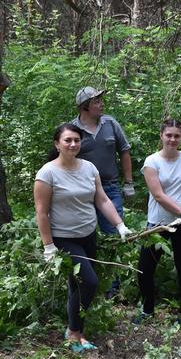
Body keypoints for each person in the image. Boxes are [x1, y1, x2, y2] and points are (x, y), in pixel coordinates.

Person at [34, 123, 132, 352]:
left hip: (89, 234)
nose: (73, 144)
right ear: (57, 144)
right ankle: (74, 331)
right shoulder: (47, 173)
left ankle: (77, 331)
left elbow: (102, 200)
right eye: (67, 140)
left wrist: (120, 225)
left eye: (77, 140)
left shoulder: (89, 168)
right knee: (90, 282)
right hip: (64, 238)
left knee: (76, 286)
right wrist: (48, 246)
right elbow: (41, 212)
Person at [136, 119, 181, 323]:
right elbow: (158, 195)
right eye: (169, 135)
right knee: (145, 268)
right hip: (158, 223)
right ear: (161, 135)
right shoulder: (152, 162)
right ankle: (147, 309)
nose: (173, 139)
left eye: (177, 136)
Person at [71, 87, 133, 233]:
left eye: (101, 101)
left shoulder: (110, 123)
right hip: (82, 188)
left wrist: (129, 183)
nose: (102, 105)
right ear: (85, 107)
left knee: (114, 232)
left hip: (110, 187)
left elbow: (124, 151)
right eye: (96, 102)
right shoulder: (72, 129)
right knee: (85, 232)